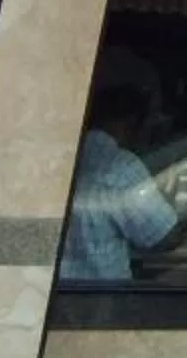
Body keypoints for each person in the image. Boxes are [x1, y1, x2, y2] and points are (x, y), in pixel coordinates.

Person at [60, 82, 180, 283]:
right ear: (131, 124)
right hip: (102, 300)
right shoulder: (121, 166)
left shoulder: (60, 157)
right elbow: (162, 237)